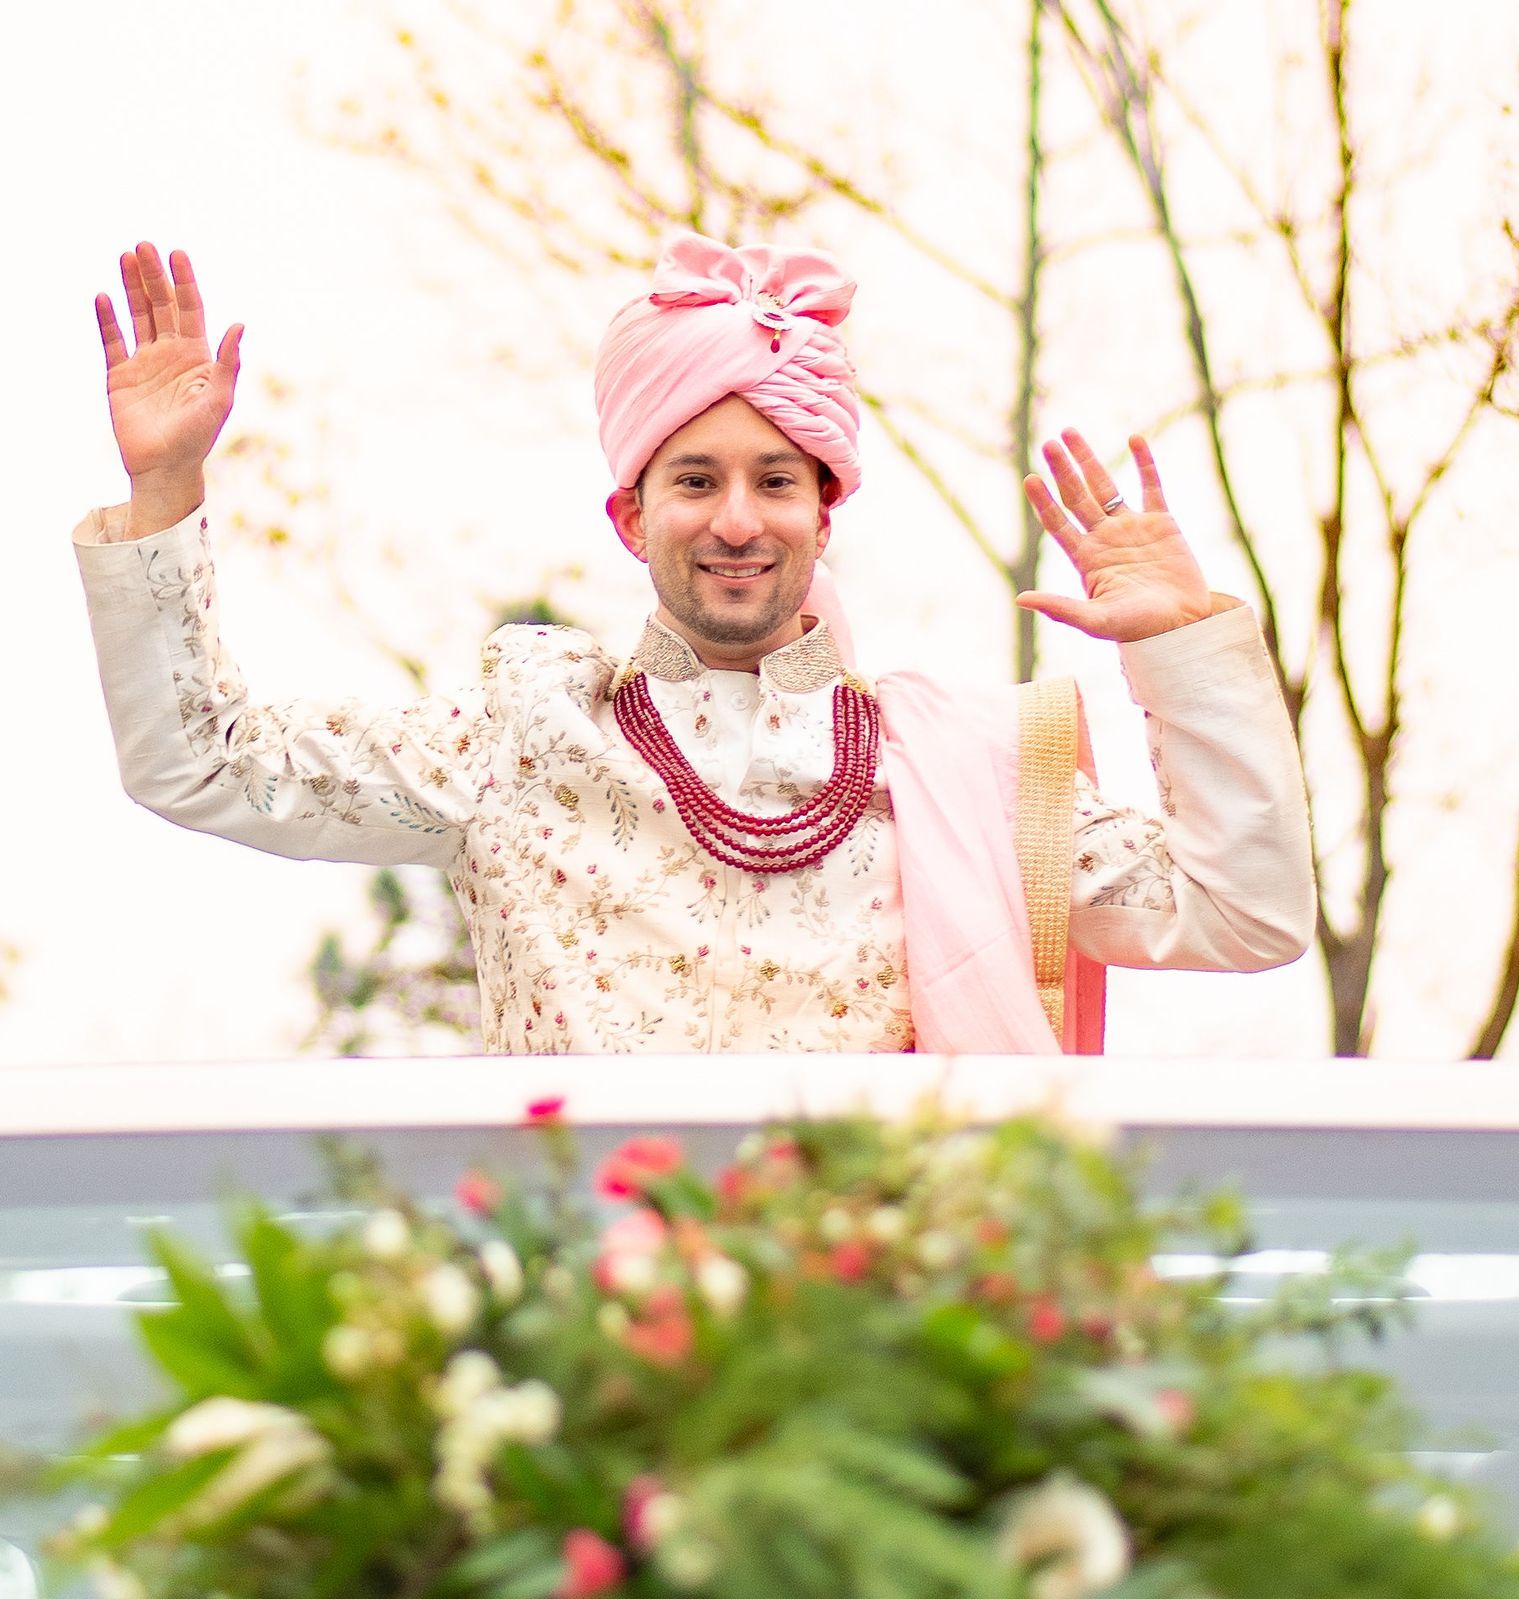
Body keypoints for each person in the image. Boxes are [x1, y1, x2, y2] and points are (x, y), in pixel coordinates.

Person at [75, 237, 1315, 1056]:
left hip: (870, 1389)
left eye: (778, 479)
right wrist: (166, 492)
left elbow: (1242, 913)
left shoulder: (962, 778)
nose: (737, 519)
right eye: (696, 480)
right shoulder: (523, 740)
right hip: (590, 1371)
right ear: (630, 515)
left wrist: (1185, 651)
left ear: (825, 512)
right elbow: (204, 761)